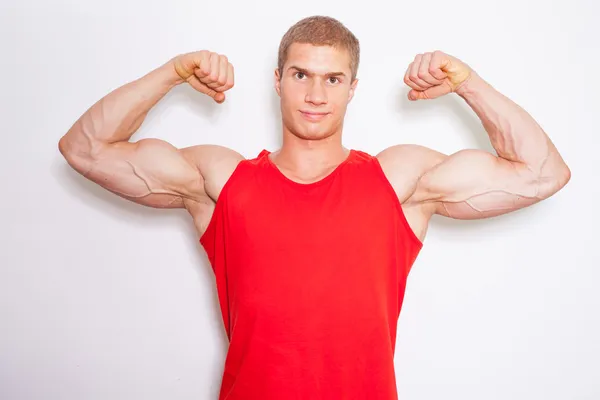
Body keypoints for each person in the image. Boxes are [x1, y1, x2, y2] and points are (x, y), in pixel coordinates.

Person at [58, 15, 570, 400]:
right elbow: (84, 149)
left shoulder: (397, 180)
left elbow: (543, 173)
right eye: (301, 75)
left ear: (352, 89)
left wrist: (468, 82)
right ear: (278, 80)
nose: (315, 94)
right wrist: (171, 72)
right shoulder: (222, 180)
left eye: (332, 79)